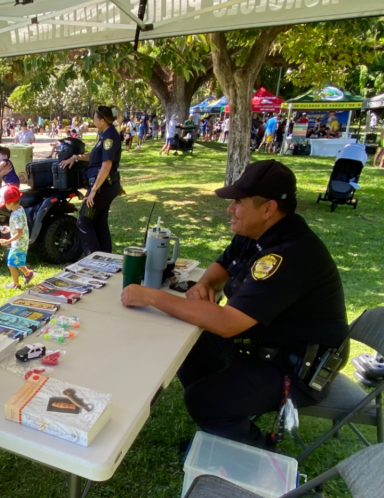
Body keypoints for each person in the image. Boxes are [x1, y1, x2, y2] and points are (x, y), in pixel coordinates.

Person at [120, 160, 348, 449]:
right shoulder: (257, 234)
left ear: (268, 209)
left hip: (295, 368)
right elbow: (221, 267)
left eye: (239, 202)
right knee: (184, 342)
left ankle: (255, 454)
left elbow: (227, 324)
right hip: (261, 346)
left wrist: (150, 296)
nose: (230, 209)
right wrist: (204, 285)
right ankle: (222, 423)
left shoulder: (289, 255)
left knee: (203, 400)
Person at [60, 105, 122, 255]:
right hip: (105, 185)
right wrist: (75, 157)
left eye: (95, 118)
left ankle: (94, 260)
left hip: (102, 186)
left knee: (84, 222)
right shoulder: (105, 135)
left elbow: (106, 166)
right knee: (99, 221)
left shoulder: (109, 138)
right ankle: (106, 256)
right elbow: (95, 156)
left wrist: (93, 191)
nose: (93, 121)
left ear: (102, 120)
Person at [0, 185, 35, 290]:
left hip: (19, 244)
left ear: (11, 202)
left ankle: (16, 284)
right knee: (16, 261)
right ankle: (28, 273)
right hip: (19, 243)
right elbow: (18, 228)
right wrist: (9, 229)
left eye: (5, 203)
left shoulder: (17, 214)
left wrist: (7, 241)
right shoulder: (18, 210)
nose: (5, 206)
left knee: (11, 263)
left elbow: (20, 232)